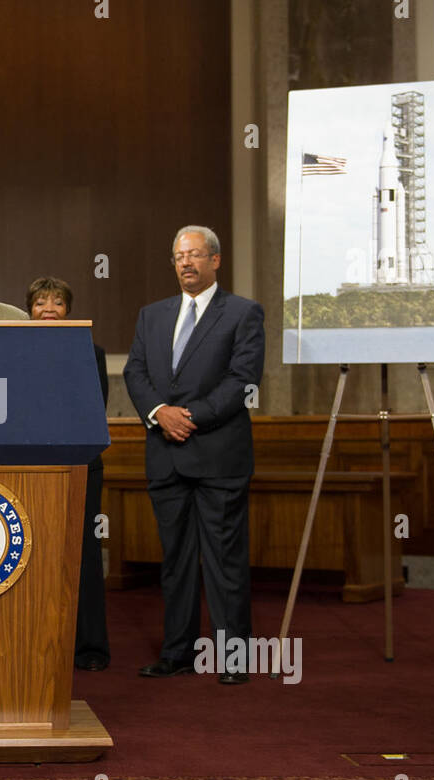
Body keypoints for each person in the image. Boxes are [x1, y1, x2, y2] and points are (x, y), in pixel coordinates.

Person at [123, 225, 265, 684]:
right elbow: (136, 372)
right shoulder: (152, 315)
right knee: (176, 561)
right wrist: (159, 412)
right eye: (179, 256)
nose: (186, 263)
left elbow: (243, 380)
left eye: (195, 255)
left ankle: (234, 657)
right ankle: (178, 652)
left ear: (215, 260)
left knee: (224, 560)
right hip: (165, 456)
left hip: (218, 456)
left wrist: (191, 417)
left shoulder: (243, 313)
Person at [26, 276, 111, 670]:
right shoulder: (14, 351)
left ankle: (89, 648)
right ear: (29, 309)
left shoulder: (90, 352)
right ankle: (38, 644)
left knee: (83, 555)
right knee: (32, 556)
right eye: (41, 302)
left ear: (68, 310)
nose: (48, 309)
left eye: (56, 303)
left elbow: (91, 412)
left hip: (79, 467)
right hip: (27, 469)